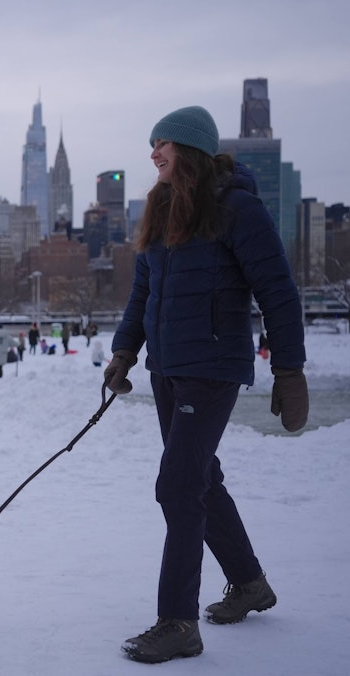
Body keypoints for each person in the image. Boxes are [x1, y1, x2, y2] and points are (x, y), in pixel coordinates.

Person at [105, 106, 308, 664]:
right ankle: (249, 584)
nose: (153, 154)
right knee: (200, 480)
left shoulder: (235, 208)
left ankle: (178, 622)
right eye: (151, 145)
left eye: (162, 144)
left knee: (176, 487)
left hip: (213, 368)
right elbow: (141, 295)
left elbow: (278, 290)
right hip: (168, 370)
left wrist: (289, 369)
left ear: (189, 148)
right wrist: (126, 351)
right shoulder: (162, 210)